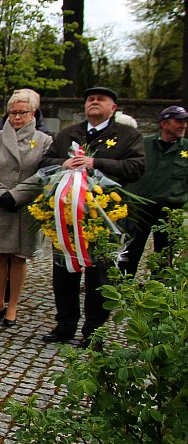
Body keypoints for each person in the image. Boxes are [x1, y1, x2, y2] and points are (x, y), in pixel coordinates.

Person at [39, 86, 145, 348]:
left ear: (113, 107)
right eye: (90, 99)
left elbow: (136, 167)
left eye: (101, 99)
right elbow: (45, 161)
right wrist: (63, 164)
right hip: (66, 217)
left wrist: (96, 164)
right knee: (64, 272)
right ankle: (65, 325)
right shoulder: (68, 134)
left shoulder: (127, 135)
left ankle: (93, 331)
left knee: (99, 276)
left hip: (104, 217)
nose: (94, 102)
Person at [0, 88, 54, 327]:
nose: (17, 117)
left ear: (33, 113)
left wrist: (17, 194)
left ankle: (13, 304)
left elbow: (44, 174)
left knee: (18, 257)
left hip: (24, 206)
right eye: (13, 112)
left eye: (22, 112)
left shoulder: (44, 141)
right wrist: (1, 193)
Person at [119, 104, 188, 276]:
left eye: (185, 121)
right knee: (130, 250)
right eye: (178, 121)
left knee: (166, 253)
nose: (183, 125)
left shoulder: (186, 148)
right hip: (139, 207)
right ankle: (121, 286)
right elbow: (125, 170)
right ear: (163, 124)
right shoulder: (143, 144)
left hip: (171, 210)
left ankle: (158, 291)